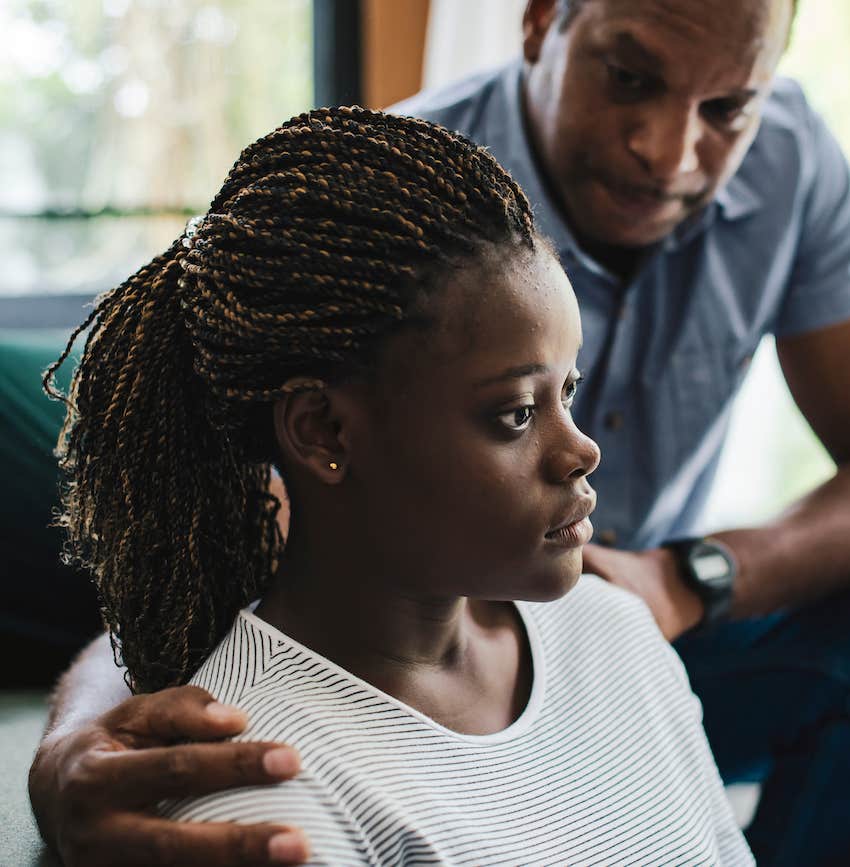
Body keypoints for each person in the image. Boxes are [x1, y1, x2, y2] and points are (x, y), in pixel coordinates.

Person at [27, 0, 850, 864]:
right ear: (540, 23)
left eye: (726, 109)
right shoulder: (379, 220)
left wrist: (691, 578)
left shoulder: (795, 154)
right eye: (632, 79)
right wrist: (75, 739)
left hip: (616, 605)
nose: (670, 150)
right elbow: (242, 544)